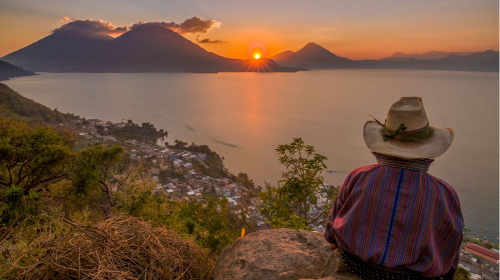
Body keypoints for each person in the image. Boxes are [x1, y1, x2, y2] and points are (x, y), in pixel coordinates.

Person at [324, 97, 463, 280]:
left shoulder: (358, 177)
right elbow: (449, 250)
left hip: (355, 267)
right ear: (428, 152)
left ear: (381, 147)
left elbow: (331, 231)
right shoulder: (444, 193)